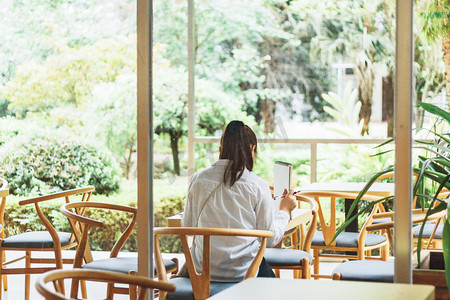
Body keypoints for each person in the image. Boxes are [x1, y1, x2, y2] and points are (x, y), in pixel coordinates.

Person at [181, 120, 297, 282]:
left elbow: (187, 227)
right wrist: (284, 211)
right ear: (252, 149)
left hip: (202, 272)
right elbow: (269, 239)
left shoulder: (198, 180)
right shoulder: (257, 185)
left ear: (221, 150)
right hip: (243, 274)